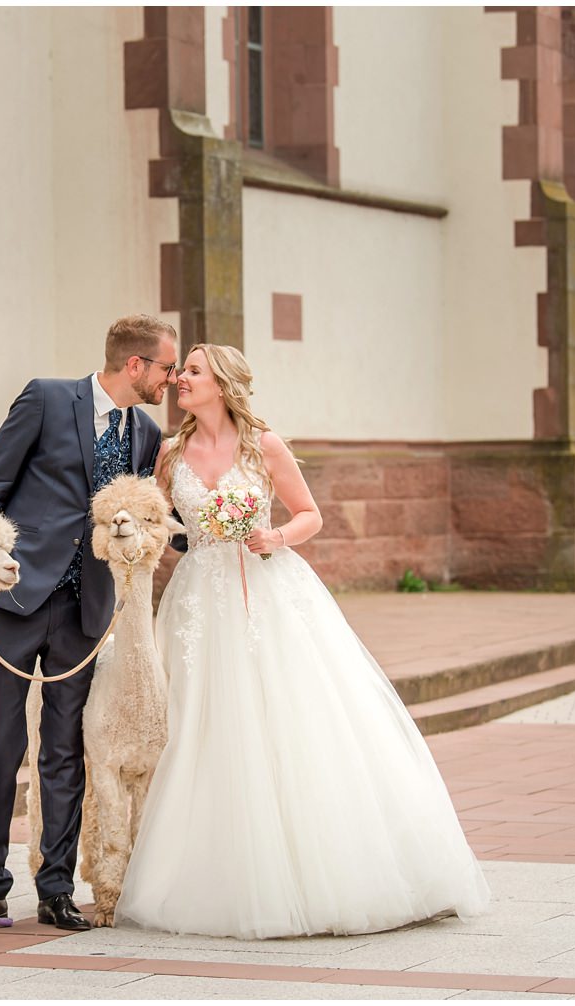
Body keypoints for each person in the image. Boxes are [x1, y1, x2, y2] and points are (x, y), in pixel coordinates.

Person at [115, 343, 491, 940]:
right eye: (180, 370)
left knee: (287, 713)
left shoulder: (263, 445)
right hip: (196, 600)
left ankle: (326, 867)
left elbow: (310, 514)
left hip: (265, 587)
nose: (180, 379)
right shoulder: (169, 453)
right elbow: (163, 524)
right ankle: (208, 869)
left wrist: (275, 535)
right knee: (196, 720)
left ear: (223, 384)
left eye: (192, 371)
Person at [0, 314, 179, 932]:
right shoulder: (48, 397)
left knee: (64, 751)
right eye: (166, 366)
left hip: (86, 611)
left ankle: (55, 889)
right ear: (134, 365)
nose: (170, 378)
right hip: (15, 601)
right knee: (2, 744)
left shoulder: (147, 432)